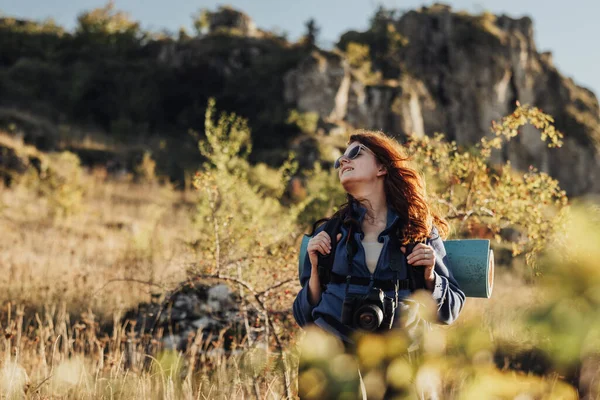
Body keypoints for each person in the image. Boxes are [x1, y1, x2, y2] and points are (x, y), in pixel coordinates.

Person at [293, 130, 465, 399]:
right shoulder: (331, 232)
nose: (343, 161)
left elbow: (451, 311)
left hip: (400, 354)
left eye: (355, 153)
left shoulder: (418, 230)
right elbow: (305, 318)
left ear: (383, 166)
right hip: (333, 356)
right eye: (341, 157)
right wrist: (315, 269)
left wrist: (431, 276)